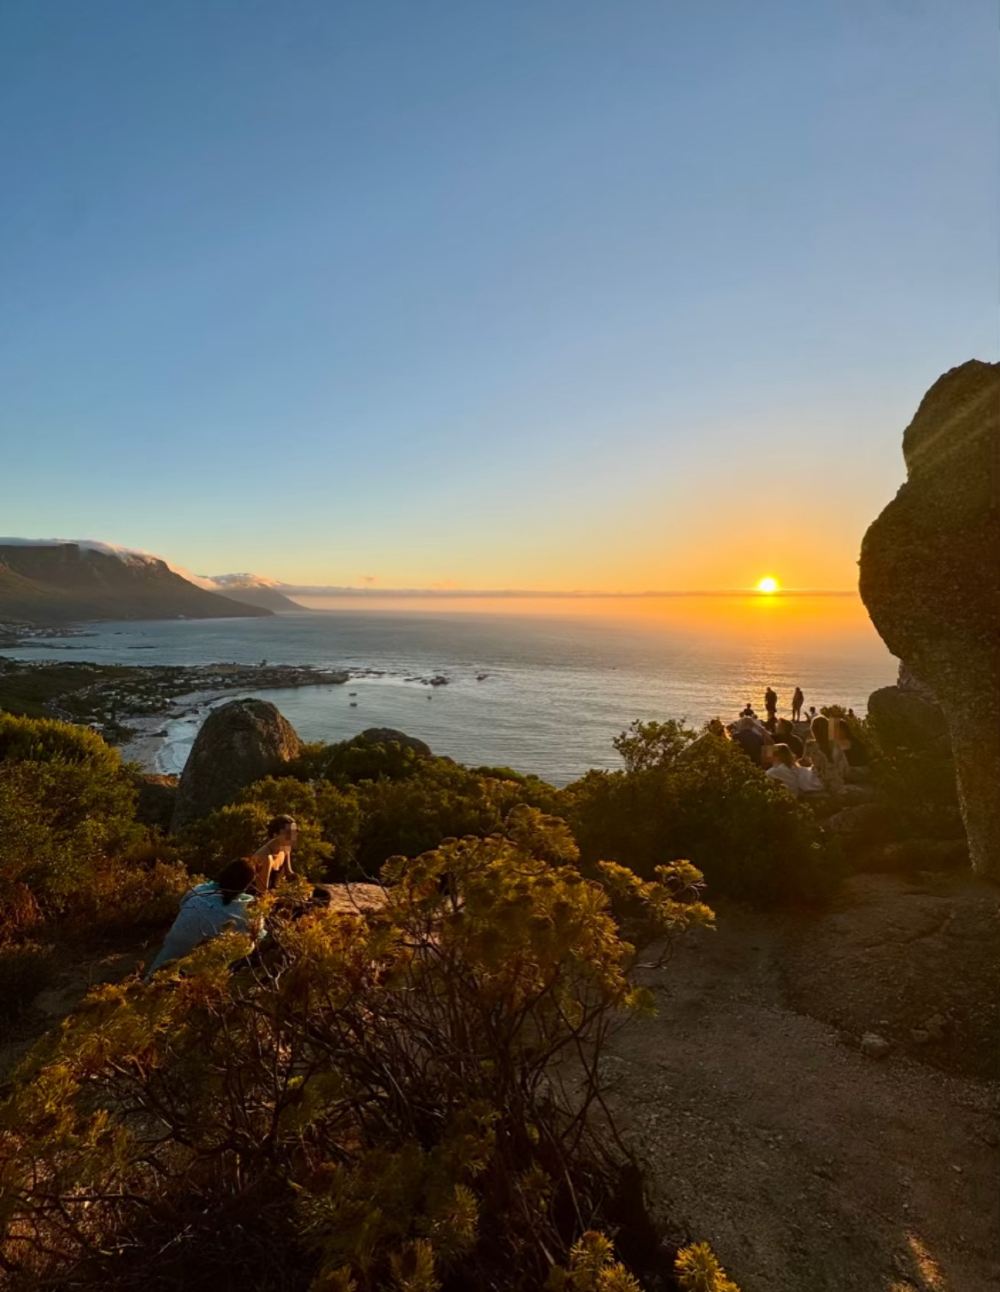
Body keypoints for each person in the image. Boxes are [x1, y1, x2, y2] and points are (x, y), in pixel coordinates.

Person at [146, 858, 260, 978]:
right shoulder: (244, 910)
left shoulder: (200, 890)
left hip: (173, 944)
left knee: (156, 975)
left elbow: (182, 904)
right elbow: (254, 937)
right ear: (246, 885)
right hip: (198, 963)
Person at [250, 815, 298, 895]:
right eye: (288, 833)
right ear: (275, 834)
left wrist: (302, 884)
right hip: (257, 898)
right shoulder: (265, 857)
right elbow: (261, 892)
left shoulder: (285, 849)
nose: (293, 837)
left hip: (273, 894)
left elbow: (289, 873)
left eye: (295, 832)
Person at [803, 714, 848, 795]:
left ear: (813, 730)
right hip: (836, 780)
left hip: (819, 781)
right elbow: (844, 766)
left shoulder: (811, 745)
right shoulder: (835, 745)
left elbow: (805, 762)